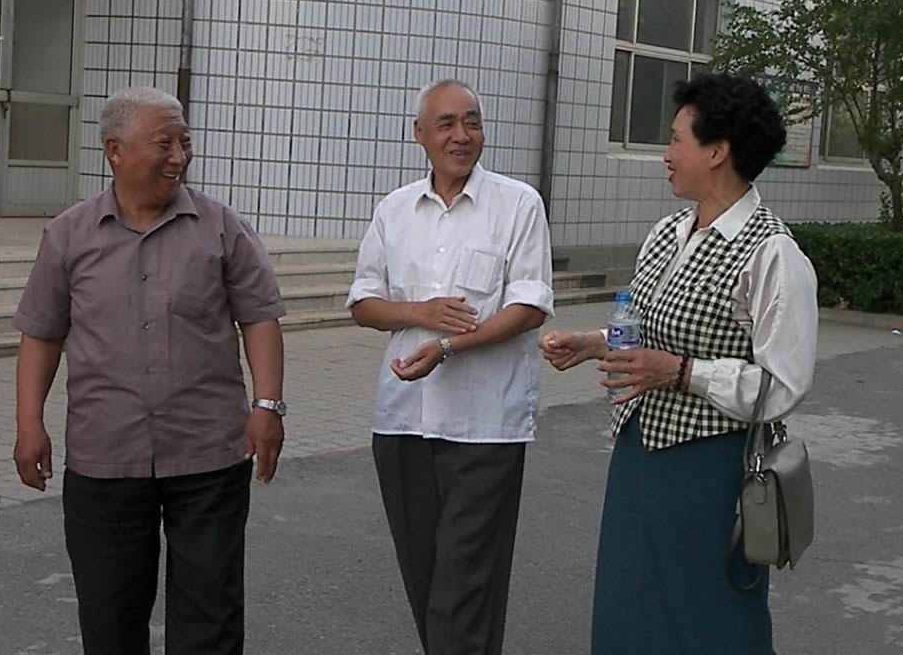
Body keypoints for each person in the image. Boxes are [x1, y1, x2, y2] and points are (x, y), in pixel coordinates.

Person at [540, 73, 818, 654]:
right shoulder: (668, 233)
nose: (665, 155)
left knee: (708, 614)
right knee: (628, 602)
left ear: (717, 152)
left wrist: (683, 372)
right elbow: (648, 328)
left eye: (675, 140)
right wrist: (596, 342)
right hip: (639, 456)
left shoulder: (772, 253)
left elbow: (782, 385)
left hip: (711, 469)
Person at [12, 86, 287, 655]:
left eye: (185, 142)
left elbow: (259, 318)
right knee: (110, 618)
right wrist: (28, 424)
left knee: (210, 618)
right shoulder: (69, 235)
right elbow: (42, 332)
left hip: (209, 454)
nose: (179, 157)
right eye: (164, 144)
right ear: (115, 151)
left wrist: (267, 406)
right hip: (105, 456)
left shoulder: (221, 227)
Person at [348, 79, 554, 655]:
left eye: (472, 122)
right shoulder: (394, 209)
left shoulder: (518, 204)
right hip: (402, 421)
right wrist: (420, 313)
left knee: (464, 586)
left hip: (485, 425)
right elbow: (363, 302)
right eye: (446, 124)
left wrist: (447, 346)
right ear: (420, 134)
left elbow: (529, 306)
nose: (462, 136)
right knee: (426, 577)